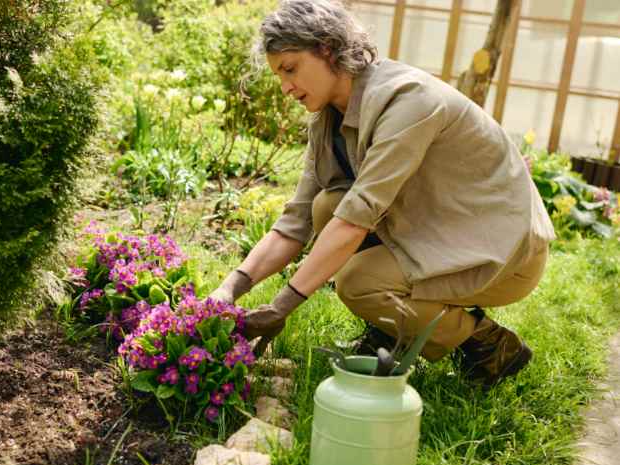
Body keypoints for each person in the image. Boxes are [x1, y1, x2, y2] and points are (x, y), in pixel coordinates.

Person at [209, 0, 555, 389]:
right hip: (441, 230)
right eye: (279, 75)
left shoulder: (406, 101)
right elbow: (298, 220)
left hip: (502, 252)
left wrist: (281, 306)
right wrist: (230, 288)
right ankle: (391, 329)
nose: (286, 87)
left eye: (290, 69)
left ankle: (488, 344)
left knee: (358, 282)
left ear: (327, 47)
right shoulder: (328, 120)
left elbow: (357, 218)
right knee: (327, 206)